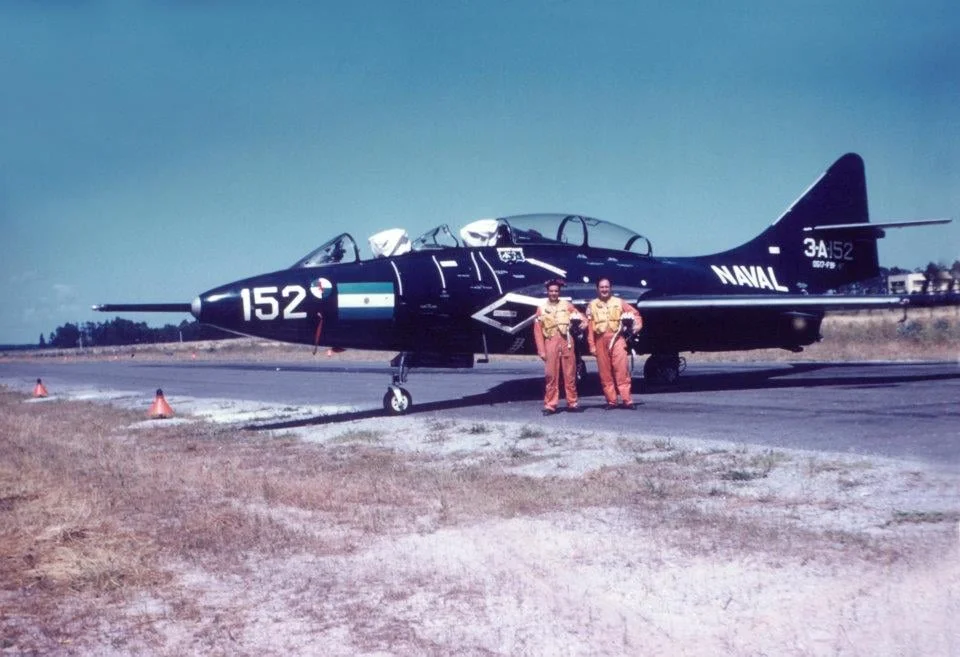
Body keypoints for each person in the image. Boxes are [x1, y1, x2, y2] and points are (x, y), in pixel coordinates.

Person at [587, 277, 642, 409]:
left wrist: (636, 327)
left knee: (621, 370)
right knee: (605, 373)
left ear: (610, 288)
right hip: (600, 340)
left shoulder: (619, 302)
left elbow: (636, 314)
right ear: (597, 289)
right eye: (602, 287)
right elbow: (590, 328)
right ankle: (611, 401)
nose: (604, 290)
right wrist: (592, 345)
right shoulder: (592, 305)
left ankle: (627, 400)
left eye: (606, 287)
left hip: (617, 339)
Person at [533, 279, 583, 415]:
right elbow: (537, 331)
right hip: (551, 341)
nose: (554, 293)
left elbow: (582, 318)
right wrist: (541, 350)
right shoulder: (541, 308)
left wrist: (581, 324)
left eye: (556, 291)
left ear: (559, 292)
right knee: (551, 375)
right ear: (547, 292)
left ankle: (572, 403)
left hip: (566, 341)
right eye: (551, 291)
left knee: (570, 373)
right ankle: (550, 405)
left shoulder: (567, 305)